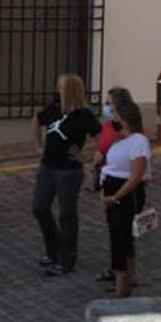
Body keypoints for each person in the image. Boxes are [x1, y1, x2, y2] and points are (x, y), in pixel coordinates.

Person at [32, 73, 102, 277]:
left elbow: (102, 138)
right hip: (48, 166)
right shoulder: (54, 108)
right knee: (40, 207)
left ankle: (66, 259)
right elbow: (36, 120)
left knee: (67, 214)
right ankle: (53, 249)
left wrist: (86, 156)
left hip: (69, 171)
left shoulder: (83, 115)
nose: (57, 90)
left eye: (61, 87)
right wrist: (38, 146)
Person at [96, 93, 150, 299]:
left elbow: (136, 175)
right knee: (119, 240)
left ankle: (122, 289)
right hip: (114, 197)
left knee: (121, 241)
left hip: (124, 198)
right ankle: (122, 283)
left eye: (117, 115)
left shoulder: (138, 142)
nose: (114, 120)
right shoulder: (122, 141)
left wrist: (116, 197)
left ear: (125, 119)